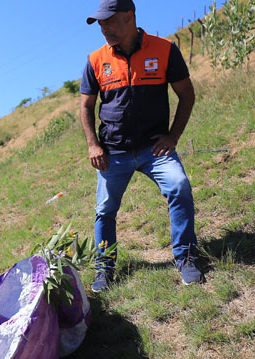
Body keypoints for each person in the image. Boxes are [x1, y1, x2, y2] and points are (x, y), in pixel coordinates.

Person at [80, 0, 203, 291]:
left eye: (108, 21)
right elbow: (85, 106)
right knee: (105, 210)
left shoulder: (164, 50)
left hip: (155, 151)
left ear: (129, 16)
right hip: (113, 154)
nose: (103, 28)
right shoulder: (96, 59)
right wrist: (92, 145)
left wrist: (173, 137)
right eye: (100, 23)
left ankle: (185, 256)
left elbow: (186, 93)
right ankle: (104, 269)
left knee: (180, 187)